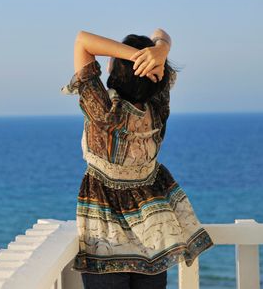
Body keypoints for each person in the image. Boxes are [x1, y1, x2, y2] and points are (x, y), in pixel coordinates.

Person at [60, 28, 215, 289]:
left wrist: (138, 55)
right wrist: (160, 50)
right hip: (152, 237)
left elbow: (82, 41)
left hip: (106, 241)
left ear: (117, 68)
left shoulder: (105, 113)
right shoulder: (157, 107)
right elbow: (161, 33)